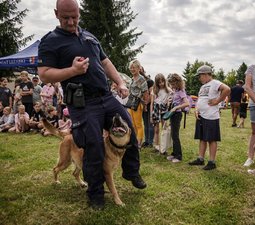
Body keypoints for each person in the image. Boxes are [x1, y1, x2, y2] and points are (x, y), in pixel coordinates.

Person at [38, 0, 146, 210]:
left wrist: (120, 82)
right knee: (94, 145)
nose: (70, 21)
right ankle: (95, 193)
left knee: (130, 130)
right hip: (82, 103)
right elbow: (44, 74)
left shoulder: (89, 36)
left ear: (78, 13)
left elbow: (105, 62)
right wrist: (72, 71)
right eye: (65, 17)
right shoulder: (50, 41)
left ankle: (131, 172)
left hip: (105, 96)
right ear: (56, 14)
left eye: (74, 16)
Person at [188, 65, 230, 170]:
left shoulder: (215, 83)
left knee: (211, 139)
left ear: (206, 74)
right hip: (201, 116)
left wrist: (218, 100)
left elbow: (227, 89)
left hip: (211, 116)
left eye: (200, 76)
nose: (199, 78)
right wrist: (197, 110)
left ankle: (212, 162)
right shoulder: (203, 86)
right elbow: (200, 99)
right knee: (202, 138)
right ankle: (200, 159)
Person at [165, 73, 190, 163]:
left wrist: (176, 107)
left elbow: (187, 103)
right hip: (172, 114)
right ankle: (174, 153)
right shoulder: (175, 91)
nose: (172, 85)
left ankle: (179, 156)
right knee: (173, 134)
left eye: (173, 84)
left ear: (178, 82)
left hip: (177, 114)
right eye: (171, 84)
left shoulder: (181, 91)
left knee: (175, 135)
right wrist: (170, 101)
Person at [127, 59, 149, 149]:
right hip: (130, 103)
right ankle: (134, 141)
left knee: (138, 124)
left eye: (134, 67)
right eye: (131, 68)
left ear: (138, 68)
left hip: (137, 103)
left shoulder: (141, 79)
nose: (132, 69)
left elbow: (145, 93)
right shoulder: (132, 79)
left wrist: (145, 105)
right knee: (131, 124)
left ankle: (139, 143)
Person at [150, 73, 172, 152]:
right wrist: (150, 115)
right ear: (156, 83)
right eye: (159, 82)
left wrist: (168, 101)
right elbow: (152, 103)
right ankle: (156, 145)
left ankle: (163, 146)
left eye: (162, 81)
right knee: (156, 129)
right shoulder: (154, 90)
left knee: (164, 128)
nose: (161, 84)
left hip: (164, 110)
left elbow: (171, 98)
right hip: (156, 110)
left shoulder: (168, 90)